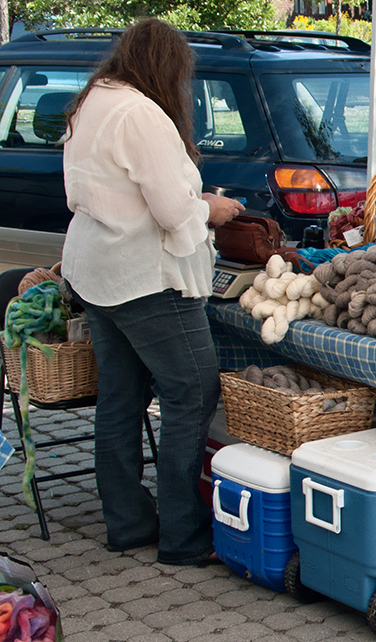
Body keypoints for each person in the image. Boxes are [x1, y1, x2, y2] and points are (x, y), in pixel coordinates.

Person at [60, 18, 244, 566]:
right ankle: (183, 535)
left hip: (98, 273)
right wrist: (211, 209)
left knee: (120, 398)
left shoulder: (94, 98)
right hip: (145, 278)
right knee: (191, 393)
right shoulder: (140, 113)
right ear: (168, 68)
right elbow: (172, 212)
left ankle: (128, 524)